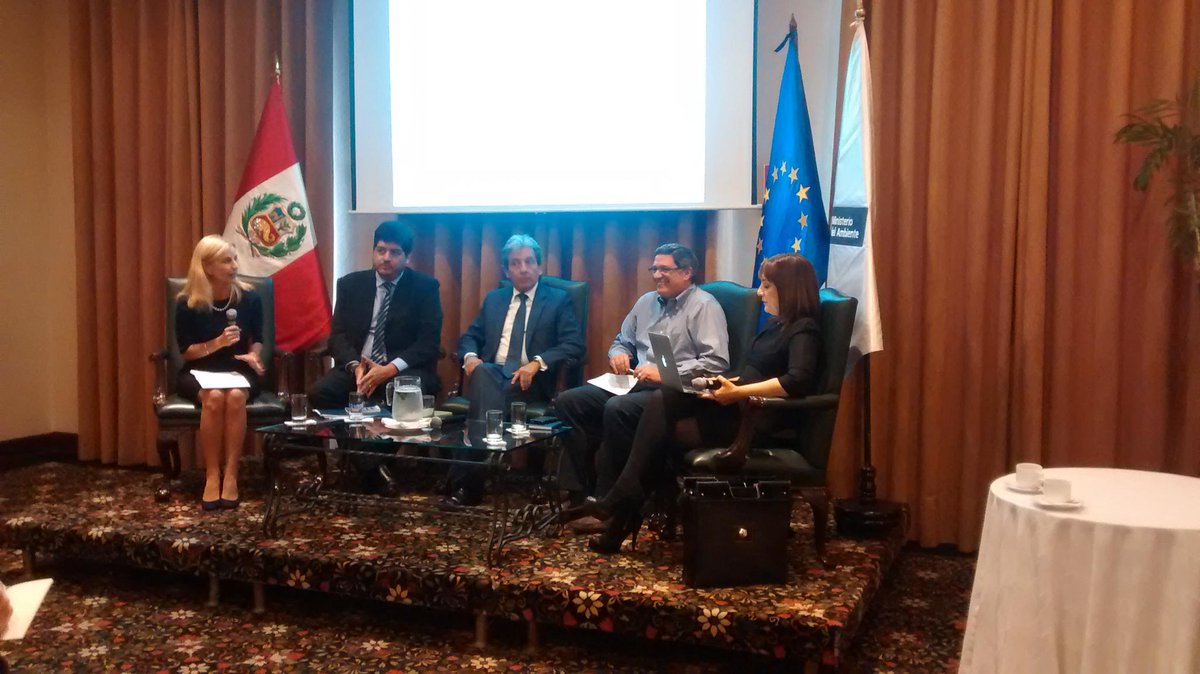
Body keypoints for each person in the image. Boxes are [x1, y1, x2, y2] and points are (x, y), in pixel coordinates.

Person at [559, 253, 823, 553]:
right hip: (738, 405)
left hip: (757, 418)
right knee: (665, 403)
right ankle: (622, 507)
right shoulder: (776, 326)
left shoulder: (804, 329)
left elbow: (796, 381)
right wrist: (719, 386)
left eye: (766, 286)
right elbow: (753, 373)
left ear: (789, 288)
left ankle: (621, 506)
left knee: (657, 422)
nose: (759, 292)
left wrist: (737, 392)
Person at [554, 243, 729, 521]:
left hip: (675, 393)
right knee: (570, 402)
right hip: (635, 383)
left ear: (687, 272)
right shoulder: (646, 302)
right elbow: (621, 341)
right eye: (654, 268)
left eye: (664, 269)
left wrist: (666, 373)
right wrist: (619, 354)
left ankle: (612, 505)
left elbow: (716, 363)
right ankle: (580, 494)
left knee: (617, 408)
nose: (657, 275)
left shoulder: (705, 306)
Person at [443, 234, 586, 507]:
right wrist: (470, 357)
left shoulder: (557, 300)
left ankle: (466, 485)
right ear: (506, 270)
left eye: (529, 262)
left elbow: (574, 345)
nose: (523, 269)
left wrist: (537, 362)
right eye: (516, 263)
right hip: (492, 374)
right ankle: (469, 480)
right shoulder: (495, 299)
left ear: (540, 267)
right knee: (484, 373)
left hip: (530, 382)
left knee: (483, 392)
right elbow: (470, 337)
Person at [175, 235, 266, 510]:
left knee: (236, 396)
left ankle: (232, 474)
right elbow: (187, 351)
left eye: (235, 259)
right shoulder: (187, 303)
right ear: (207, 267)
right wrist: (218, 343)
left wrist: (254, 356)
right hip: (199, 370)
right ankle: (212, 474)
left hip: (238, 367)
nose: (235, 266)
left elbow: (258, 339)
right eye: (227, 261)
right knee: (213, 397)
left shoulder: (250, 298)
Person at [309, 220, 443, 407]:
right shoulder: (350, 285)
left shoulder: (425, 288)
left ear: (408, 257)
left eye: (395, 252)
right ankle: (352, 428)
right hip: (358, 368)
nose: (386, 258)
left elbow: (428, 342)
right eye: (381, 250)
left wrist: (389, 369)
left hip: (401, 370)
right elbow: (337, 336)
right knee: (319, 393)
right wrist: (355, 366)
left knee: (404, 394)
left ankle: (383, 427)